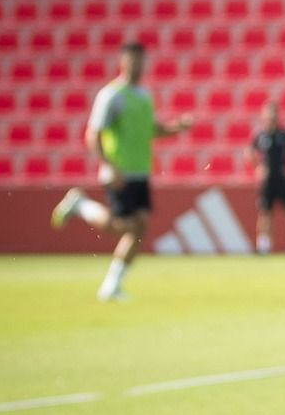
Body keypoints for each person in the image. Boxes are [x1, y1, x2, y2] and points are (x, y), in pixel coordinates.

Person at [50, 41, 193, 301]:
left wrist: (176, 128)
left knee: (139, 229)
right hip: (119, 172)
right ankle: (81, 206)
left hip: (140, 172)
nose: (138, 65)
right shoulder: (112, 95)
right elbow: (93, 134)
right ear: (123, 62)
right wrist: (108, 165)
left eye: (141, 60)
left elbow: (151, 129)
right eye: (133, 60)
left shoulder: (144, 95)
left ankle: (112, 286)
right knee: (124, 226)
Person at [248, 100, 285, 254]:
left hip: (282, 178)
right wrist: (258, 167)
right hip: (267, 180)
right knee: (265, 212)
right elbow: (250, 152)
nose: (271, 117)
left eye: (273, 114)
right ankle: (263, 246)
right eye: (268, 114)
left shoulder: (284, 134)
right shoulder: (260, 136)